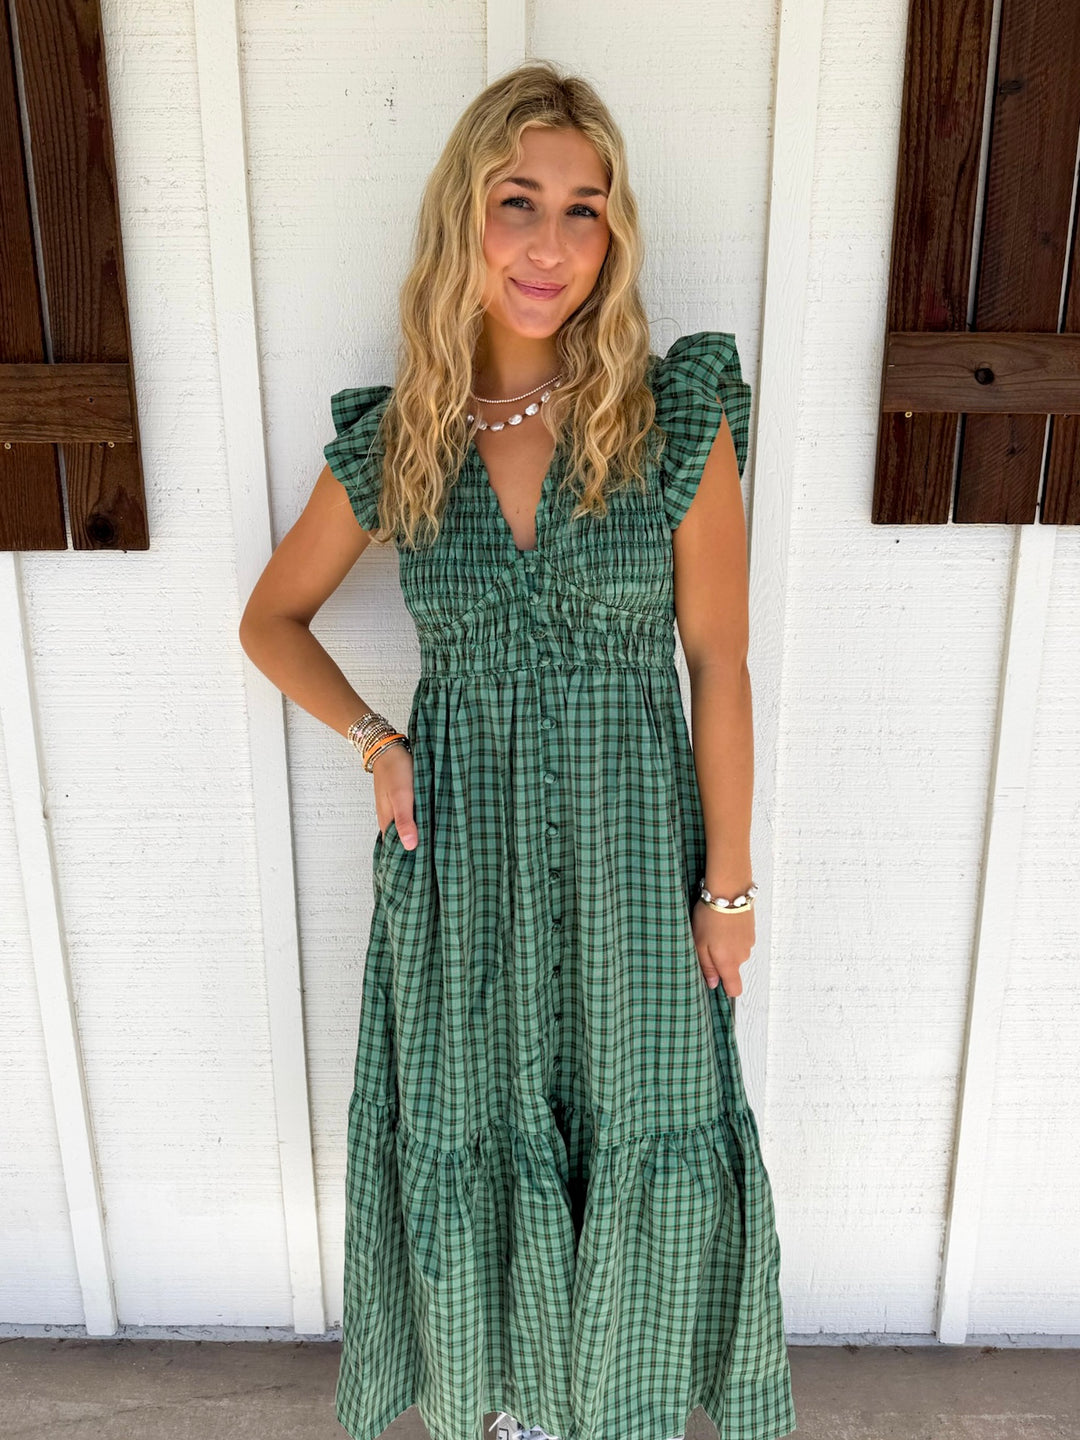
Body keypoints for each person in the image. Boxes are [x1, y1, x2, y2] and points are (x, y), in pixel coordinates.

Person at [239, 59, 795, 1440]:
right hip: (465, 874)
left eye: (583, 210)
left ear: (614, 236)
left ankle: (622, 1407)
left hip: (634, 869)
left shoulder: (671, 420)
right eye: (518, 202)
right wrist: (375, 739)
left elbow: (720, 662)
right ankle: (514, 1409)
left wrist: (728, 886)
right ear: (463, 220)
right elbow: (270, 619)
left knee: (645, 1117)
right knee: (480, 1122)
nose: (550, 245)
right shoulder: (404, 445)